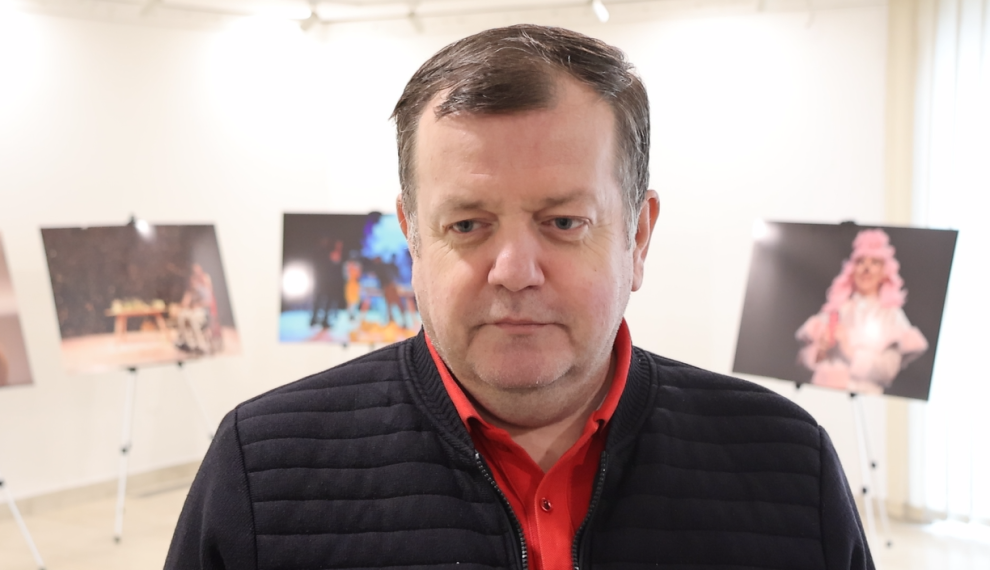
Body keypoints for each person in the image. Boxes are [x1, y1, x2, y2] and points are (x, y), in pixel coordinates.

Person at [166, 25, 873, 570]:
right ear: (412, 238)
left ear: (638, 237)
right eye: (467, 224)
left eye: (563, 222)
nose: (513, 271)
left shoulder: (789, 463)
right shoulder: (259, 470)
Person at [797, 228, 928, 395]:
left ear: (884, 271)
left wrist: (849, 350)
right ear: (852, 269)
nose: (866, 269)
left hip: (867, 398)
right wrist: (820, 350)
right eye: (861, 262)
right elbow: (803, 359)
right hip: (824, 395)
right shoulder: (837, 309)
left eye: (874, 262)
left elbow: (888, 371)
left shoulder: (892, 316)